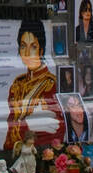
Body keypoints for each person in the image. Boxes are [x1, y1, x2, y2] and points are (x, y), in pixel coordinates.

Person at [4, 18, 64, 151]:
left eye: (33, 47)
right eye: (23, 46)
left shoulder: (51, 84)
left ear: (41, 50)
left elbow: (59, 127)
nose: (26, 53)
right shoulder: (17, 84)